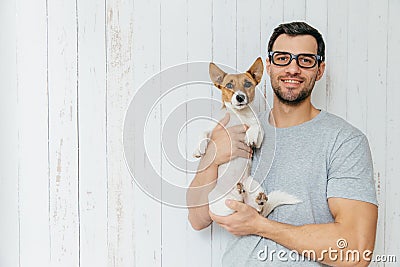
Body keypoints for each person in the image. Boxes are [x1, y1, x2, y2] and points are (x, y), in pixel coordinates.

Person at [186, 21, 378, 266]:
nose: (293, 69)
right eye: (282, 58)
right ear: (268, 67)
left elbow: (357, 250)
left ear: (319, 70)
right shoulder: (236, 130)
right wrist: (212, 157)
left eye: (306, 60)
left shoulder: (345, 141)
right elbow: (198, 219)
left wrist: (261, 226)